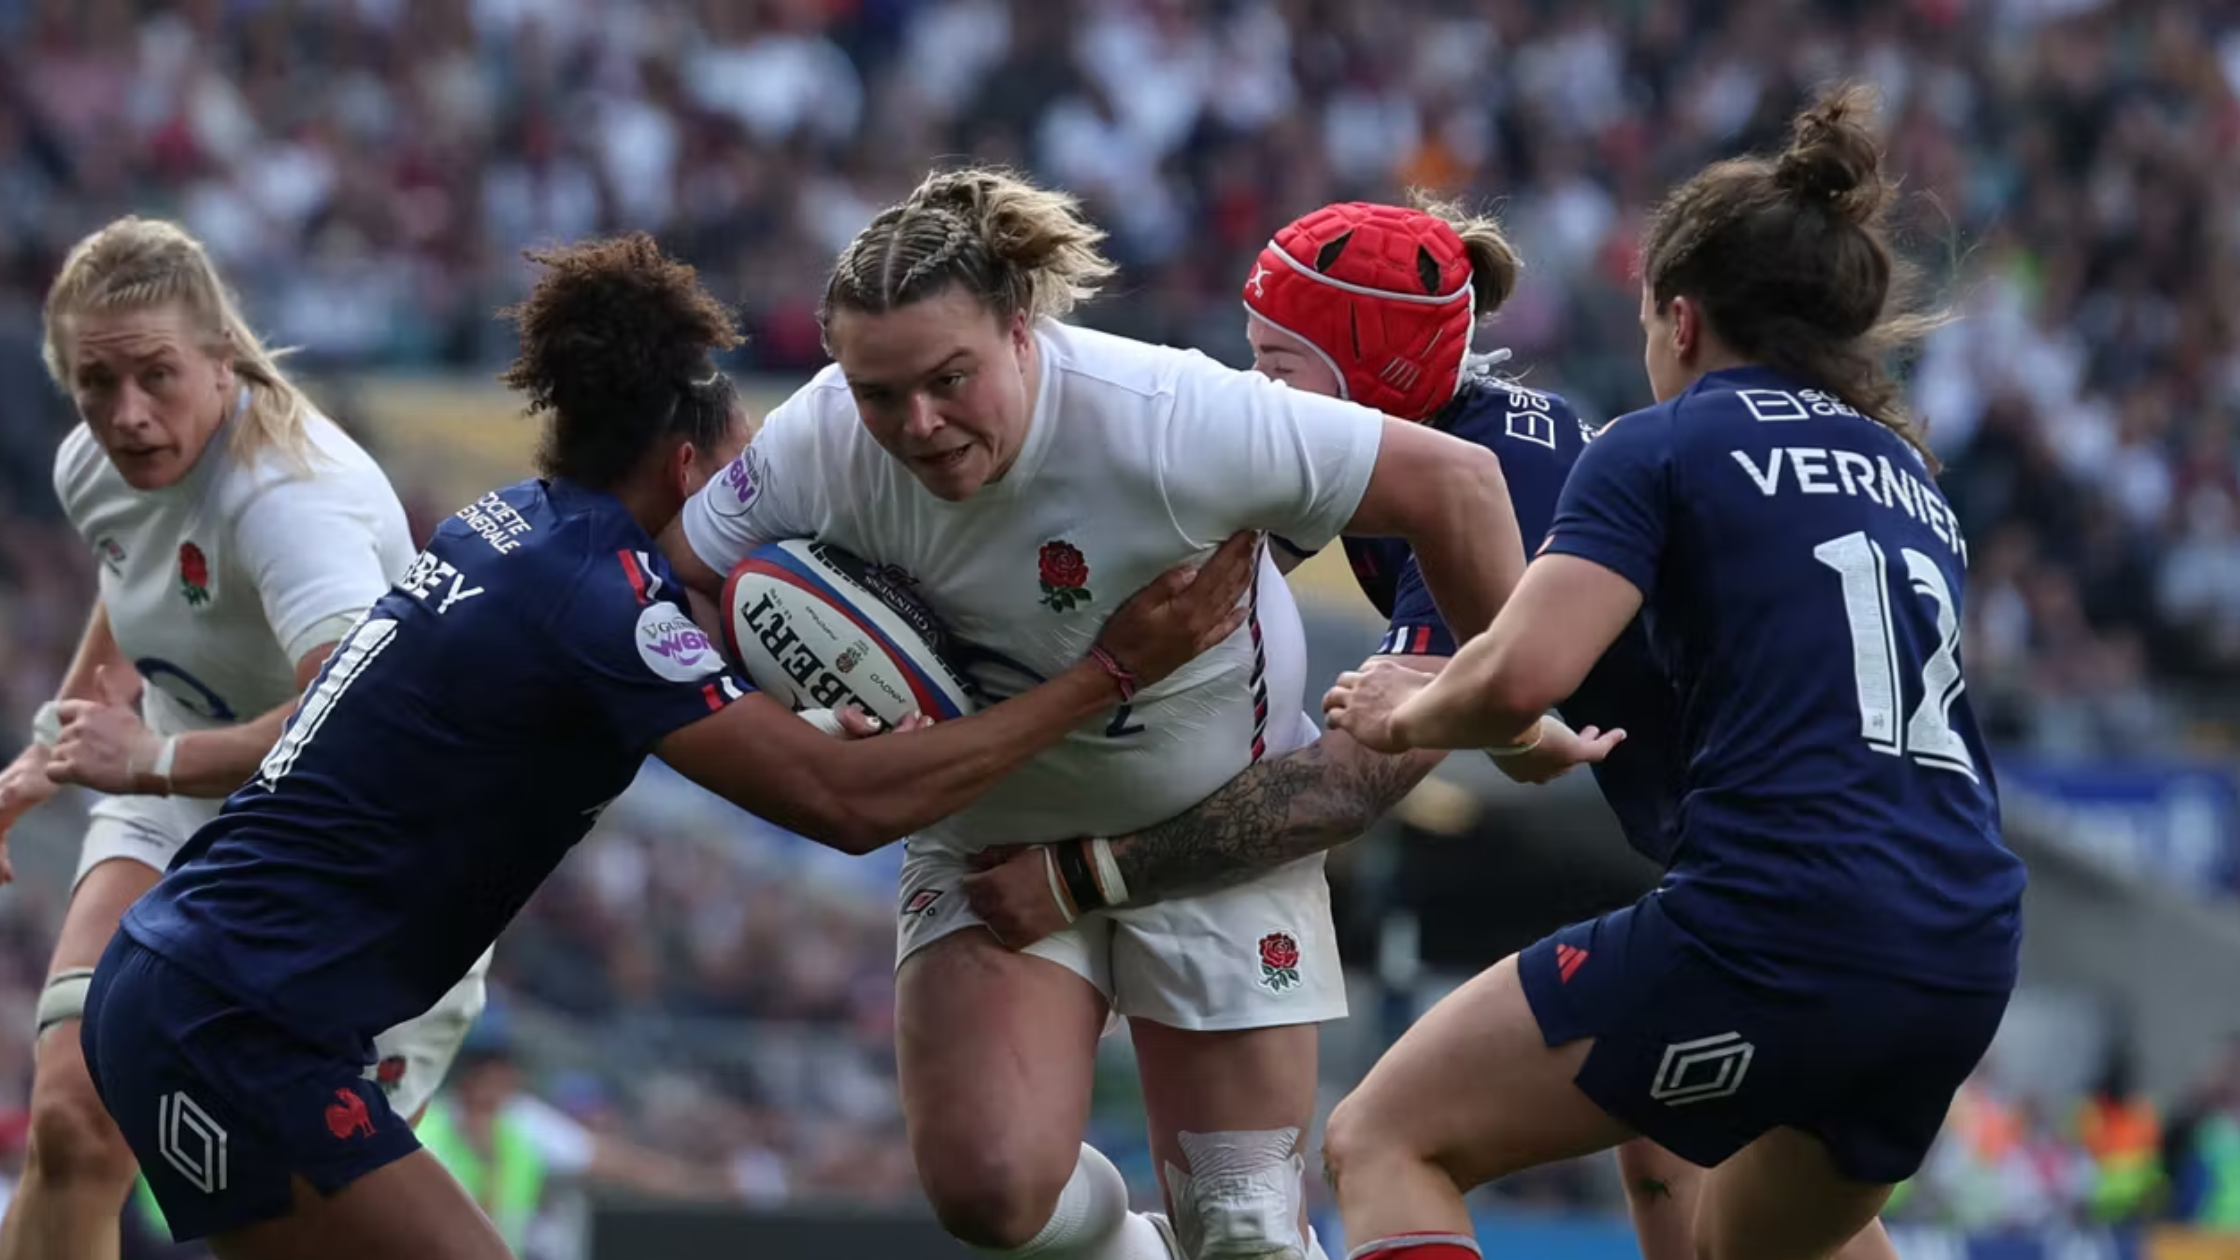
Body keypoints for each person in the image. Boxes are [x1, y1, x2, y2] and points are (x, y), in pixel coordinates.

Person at [74, 232, 1250, 1260]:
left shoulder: (525, 530)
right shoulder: (600, 597)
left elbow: (678, 704)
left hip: (202, 988)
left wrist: (797, 712)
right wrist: (1107, 675)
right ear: (686, 466)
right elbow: (843, 809)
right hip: (232, 1018)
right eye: (738, 468)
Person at [662, 167, 1527, 1260]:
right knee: (987, 1193)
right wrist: (784, 700)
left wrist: (1512, 708)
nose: (916, 424)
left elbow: (1458, 486)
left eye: (948, 378)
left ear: (1021, 331)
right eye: (879, 392)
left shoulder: (1168, 419)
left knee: (1246, 1229)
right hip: (987, 837)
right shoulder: (819, 441)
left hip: (1212, 840)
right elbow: (683, 580)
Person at [1316, 86, 2026, 1260]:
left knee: (1386, 1138)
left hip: (1778, 918)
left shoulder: (1662, 441)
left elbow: (1518, 675)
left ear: (1680, 319)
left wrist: (1405, 712)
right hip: (1958, 944)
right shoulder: (1912, 479)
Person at [956, 194, 1728, 1260]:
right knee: (1686, 1156)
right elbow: (1168, 562)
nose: (1253, 392)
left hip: (1750, 866)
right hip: (1736, 858)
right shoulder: (1380, 432)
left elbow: (1341, 789)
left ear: (1379, 374)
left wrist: (1082, 874)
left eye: (1277, 364)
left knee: (1389, 1139)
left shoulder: (1482, 477)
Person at [0, 217, 492, 1260]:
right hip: (178, 800)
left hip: (359, 852)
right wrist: (47, 757)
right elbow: (132, 584)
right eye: (96, 382)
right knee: (71, 1125)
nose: (127, 415)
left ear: (219, 356)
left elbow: (351, 722)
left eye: (156, 377)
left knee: (291, 1220)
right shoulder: (95, 462)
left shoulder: (288, 498)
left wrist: (148, 756)